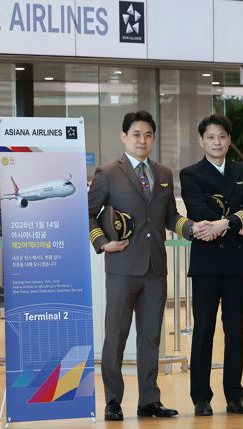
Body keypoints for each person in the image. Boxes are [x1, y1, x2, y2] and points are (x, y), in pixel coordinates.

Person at [88, 110, 209, 421]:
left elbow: (170, 217)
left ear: (154, 138)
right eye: (137, 134)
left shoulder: (164, 173)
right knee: (115, 336)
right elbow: (87, 213)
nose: (142, 140)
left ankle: (148, 401)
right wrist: (103, 243)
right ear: (124, 136)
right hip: (122, 266)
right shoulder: (108, 173)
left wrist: (191, 228)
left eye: (148, 135)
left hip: (155, 268)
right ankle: (113, 401)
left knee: (151, 337)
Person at [179, 114, 243, 416]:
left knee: (235, 331)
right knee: (203, 330)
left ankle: (234, 395)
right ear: (202, 141)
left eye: (222, 136)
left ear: (229, 140)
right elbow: (197, 210)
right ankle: (201, 396)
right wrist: (228, 223)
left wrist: (223, 224)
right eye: (211, 137)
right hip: (206, 262)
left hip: (237, 261)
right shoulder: (190, 174)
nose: (217, 142)